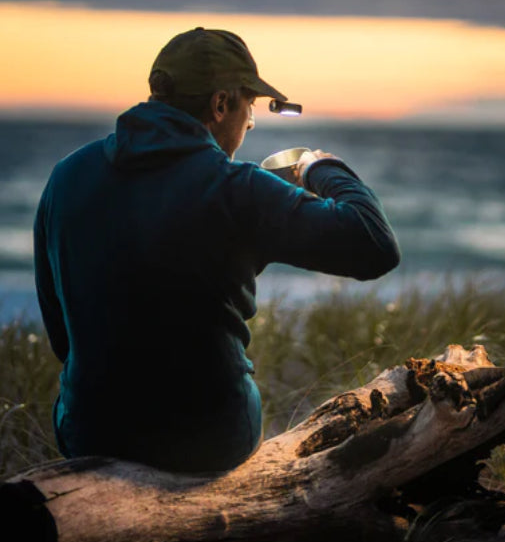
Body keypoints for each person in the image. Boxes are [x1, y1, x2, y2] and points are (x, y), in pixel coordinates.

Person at [34, 27, 400, 473]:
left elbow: (61, 335)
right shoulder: (237, 189)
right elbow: (374, 245)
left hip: (90, 432)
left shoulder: (67, 176)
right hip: (210, 438)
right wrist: (319, 167)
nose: (250, 121)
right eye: (250, 105)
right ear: (221, 104)